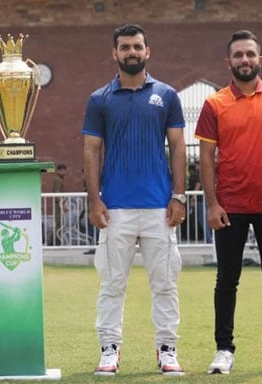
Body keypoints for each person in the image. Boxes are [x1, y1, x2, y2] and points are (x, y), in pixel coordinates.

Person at [195, 30, 262, 375]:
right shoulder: (214, 104)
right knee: (227, 279)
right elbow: (206, 157)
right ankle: (223, 350)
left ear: (261, 59)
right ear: (228, 62)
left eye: (250, 54)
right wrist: (212, 204)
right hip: (230, 206)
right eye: (238, 55)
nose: (245, 60)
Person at [82, 23, 187, 376]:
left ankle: (167, 349)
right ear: (114, 53)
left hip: (160, 208)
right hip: (115, 209)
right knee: (112, 285)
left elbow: (177, 147)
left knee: (165, 283)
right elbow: (91, 150)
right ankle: (109, 350)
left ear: (147, 51)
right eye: (125, 47)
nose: (131, 52)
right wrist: (94, 200)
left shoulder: (167, 95)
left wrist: (179, 195)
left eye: (137, 46)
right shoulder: (100, 99)